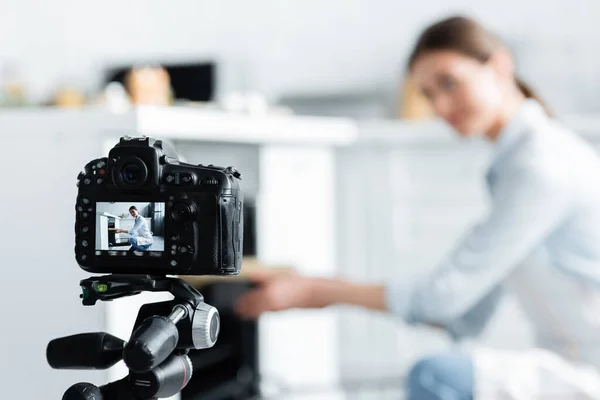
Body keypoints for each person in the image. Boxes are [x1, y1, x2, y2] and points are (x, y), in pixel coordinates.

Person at [235, 16, 600, 400]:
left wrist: (317, 291)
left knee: (436, 376)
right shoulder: (522, 163)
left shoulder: (542, 165)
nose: (440, 106)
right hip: (570, 362)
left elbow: (442, 298)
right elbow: (465, 313)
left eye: (449, 83)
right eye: (428, 94)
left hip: (588, 372)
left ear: (499, 66)